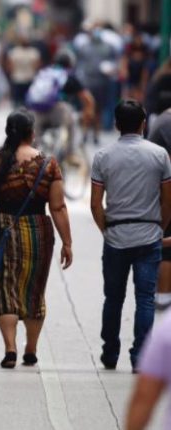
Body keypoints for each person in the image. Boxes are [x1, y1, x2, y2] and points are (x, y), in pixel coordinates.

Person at [0, 109, 73, 369]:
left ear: (8, 132)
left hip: (3, 230)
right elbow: (58, 207)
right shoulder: (48, 164)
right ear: (32, 133)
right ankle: (31, 348)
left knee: (4, 288)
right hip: (38, 231)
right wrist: (67, 242)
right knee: (34, 289)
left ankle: (10, 348)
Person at [90, 100, 171, 372]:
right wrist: (159, 228)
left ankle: (110, 352)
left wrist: (106, 230)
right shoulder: (160, 155)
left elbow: (95, 204)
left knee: (113, 298)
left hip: (116, 236)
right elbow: (168, 200)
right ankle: (140, 358)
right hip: (149, 235)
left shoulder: (103, 156)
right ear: (143, 123)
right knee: (145, 298)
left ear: (116, 124)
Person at [27, 50, 96, 154]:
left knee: (34, 139)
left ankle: (30, 154)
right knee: (72, 122)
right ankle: (70, 153)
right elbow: (88, 98)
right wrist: (88, 113)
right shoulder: (68, 75)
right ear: (70, 64)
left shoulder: (44, 72)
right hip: (57, 112)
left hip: (36, 111)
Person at [126, 311, 171, 430]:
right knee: (145, 301)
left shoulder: (167, 329)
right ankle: (138, 355)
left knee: (114, 302)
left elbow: (143, 398)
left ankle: (110, 351)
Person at [148, 107, 171, 311]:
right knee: (167, 249)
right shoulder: (167, 125)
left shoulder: (163, 121)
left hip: (161, 193)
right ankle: (163, 298)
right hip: (164, 194)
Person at [5, 33, 41, 107]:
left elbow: (10, 66)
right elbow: (37, 66)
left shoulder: (14, 52)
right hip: (29, 78)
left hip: (18, 79)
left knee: (18, 102)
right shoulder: (34, 52)